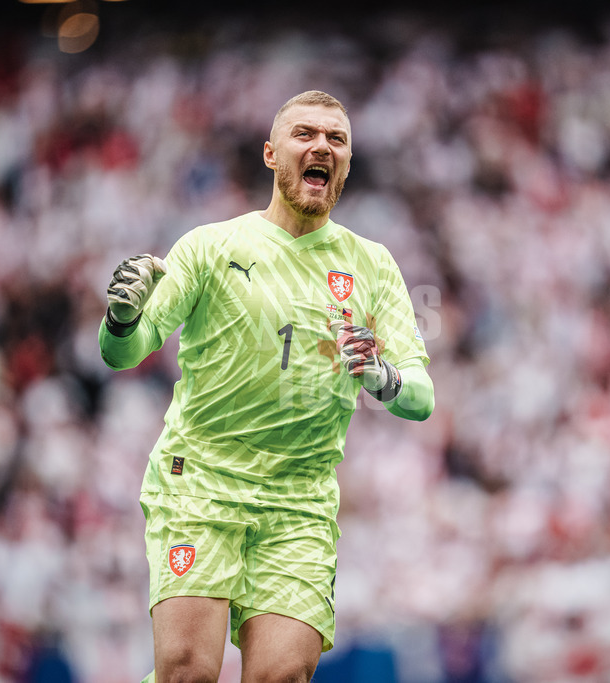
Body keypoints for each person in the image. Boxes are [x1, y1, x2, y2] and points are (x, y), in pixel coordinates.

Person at [99, 90, 435, 683]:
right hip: (200, 482)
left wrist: (384, 379)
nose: (322, 147)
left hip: (299, 501)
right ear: (270, 154)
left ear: (348, 163)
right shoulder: (212, 246)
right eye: (305, 134)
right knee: (186, 673)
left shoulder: (372, 264)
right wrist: (123, 317)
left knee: (279, 677)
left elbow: (421, 397)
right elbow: (125, 351)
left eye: (336, 139)